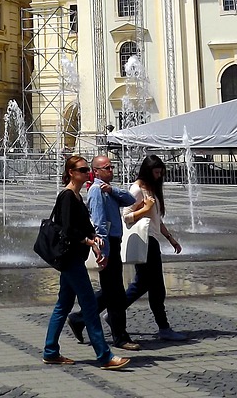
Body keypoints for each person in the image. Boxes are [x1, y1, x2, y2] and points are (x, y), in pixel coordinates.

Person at [42, 155, 130, 371]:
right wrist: (88, 240)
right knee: (90, 305)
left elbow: (84, 225)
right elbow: (67, 229)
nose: (86, 173)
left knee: (63, 305)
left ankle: (50, 351)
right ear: (71, 172)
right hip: (71, 259)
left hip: (75, 256)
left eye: (86, 170)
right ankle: (104, 355)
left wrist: (94, 237)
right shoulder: (67, 196)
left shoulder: (77, 196)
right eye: (82, 170)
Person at [69, 154, 143, 351]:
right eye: (107, 168)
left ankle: (78, 318)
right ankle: (120, 337)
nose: (111, 170)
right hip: (107, 243)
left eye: (112, 167)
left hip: (114, 243)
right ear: (97, 171)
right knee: (116, 294)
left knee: (111, 292)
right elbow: (100, 224)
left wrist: (113, 189)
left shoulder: (107, 190)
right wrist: (105, 252)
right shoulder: (96, 191)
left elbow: (129, 199)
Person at [122, 154, 186, 341]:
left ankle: (115, 312)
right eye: (157, 172)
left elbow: (157, 219)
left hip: (152, 240)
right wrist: (144, 207)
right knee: (155, 286)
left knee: (147, 285)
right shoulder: (136, 190)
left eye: (161, 173)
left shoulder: (150, 188)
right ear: (148, 171)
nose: (159, 176)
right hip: (144, 241)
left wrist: (170, 239)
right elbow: (126, 216)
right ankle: (163, 328)